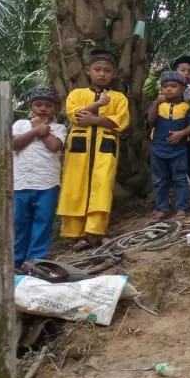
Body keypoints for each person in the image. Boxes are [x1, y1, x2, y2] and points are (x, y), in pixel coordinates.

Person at [57, 49, 131, 249]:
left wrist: (95, 120)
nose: (102, 74)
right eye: (97, 69)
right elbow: (75, 116)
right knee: (75, 186)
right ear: (88, 70)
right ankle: (77, 233)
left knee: (102, 187)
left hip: (105, 147)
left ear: (113, 74)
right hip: (80, 148)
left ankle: (95, 232)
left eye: (107, 70)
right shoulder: (77, 94)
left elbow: (121, 121)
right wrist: (98, 105)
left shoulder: (119, 97)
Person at [12, 88, 67, 268]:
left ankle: (36, 262)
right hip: (21, 183)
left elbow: (54, 146)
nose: (43, 109)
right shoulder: (20, 125)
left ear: (56, 108)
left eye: (48, 106)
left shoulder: (59, 128)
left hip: (47, 184)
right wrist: (36, 129)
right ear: (31, 106)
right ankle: (16, 261)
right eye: (38, 104)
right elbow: (13, 144)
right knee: (20, 223)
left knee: (43, 222)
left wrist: (43, 131)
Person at [148, 71, 190, 220]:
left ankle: (182, 207)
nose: (169, 89)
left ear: (182, 89)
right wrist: (156, 103)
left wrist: (181, 134)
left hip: (179, 150)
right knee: (160, 180)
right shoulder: (158, 106)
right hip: (158, 149)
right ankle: (162, 207)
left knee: (180, 179)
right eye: (165, 86)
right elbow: (150, 120)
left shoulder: (186, 107)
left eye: (173, 86)